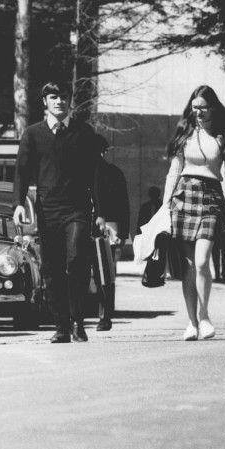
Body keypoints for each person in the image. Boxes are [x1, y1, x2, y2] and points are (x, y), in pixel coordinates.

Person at [12, 81, 104, 343]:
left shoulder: (84, 133)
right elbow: (22, 171)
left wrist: (100, 211)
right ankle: (61, 326)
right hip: (48, 211)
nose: (59, 101)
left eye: (63, 96)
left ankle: (78, 322)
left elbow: (95, 175)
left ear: (69, 100)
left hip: (78, 210)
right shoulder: (33, 134)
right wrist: (18, 204)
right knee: (52, 269)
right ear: (45, 101)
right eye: (53, 97)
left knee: (76, 262)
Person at [161, 85, 225, 340]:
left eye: (203, 107)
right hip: (183, 197)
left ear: (213, 108)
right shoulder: (184, 135)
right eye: (194, 107)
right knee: (189, 266)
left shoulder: (223, 137)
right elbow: (173, 172)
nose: (198, 112)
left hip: (211, 199)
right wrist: (165, 206)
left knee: (201, 261)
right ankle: (191, 322)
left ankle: (205, 316)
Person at [92, 135, 129, 331]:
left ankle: (104, 315)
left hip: (107, 227)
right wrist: (123, 231)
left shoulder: (112, 173)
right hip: (107, 227)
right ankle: (104, 315)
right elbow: (124, 205)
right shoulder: (113, 172)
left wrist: (123, 232)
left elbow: (123, 204)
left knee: (104, 273)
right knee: (105, 273)